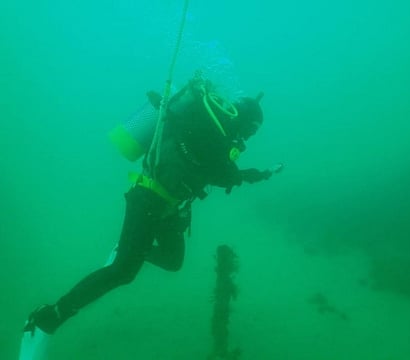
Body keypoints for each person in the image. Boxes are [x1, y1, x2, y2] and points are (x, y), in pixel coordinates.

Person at [19, 73, 282, 359]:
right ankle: (47, 318)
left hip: (169, 208)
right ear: (246, 122)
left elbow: (216, 170)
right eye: (252, 131)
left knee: (172, 260)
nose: (248, 137)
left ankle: (132, 249)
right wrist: (248, 174)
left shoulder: (213, 130)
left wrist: (249, 174)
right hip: (149, 199)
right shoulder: (214, 132)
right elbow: (222, 172)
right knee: (122, 273)